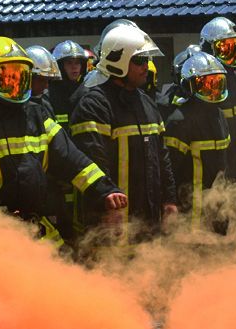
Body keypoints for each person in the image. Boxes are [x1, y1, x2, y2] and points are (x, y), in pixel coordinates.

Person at [0, 37, 125, 247]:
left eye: (21, 75)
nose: (16, 83)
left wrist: (105, 190)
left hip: (35, 224)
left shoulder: (35, 114)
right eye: (7, 77)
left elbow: (70, 157)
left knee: (66, 273)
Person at [69, 24, 178, 242]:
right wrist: (105, 201)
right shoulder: (94, 105)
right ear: (117, 61)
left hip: (147, 222)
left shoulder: (147, 103)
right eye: (139, 60)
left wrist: (169, 199)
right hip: (109, 224)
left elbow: (162, 158)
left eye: (146, 60)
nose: (145, 66)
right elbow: (92, 161)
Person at [163, 50, 233, 232]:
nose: (213, 89)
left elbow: (224, 166)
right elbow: (170, 170)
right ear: (190, 85)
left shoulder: (219, 116)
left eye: (217, 82)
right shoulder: (179, 120)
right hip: (189, 218)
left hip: (217, 213)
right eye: (206, 84)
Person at [200, 17, 236, 183]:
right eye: (227, 47)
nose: (234, 52)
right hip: (216, 160)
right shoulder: (206, 79)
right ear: (209, 48)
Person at [48, 40, 90, 128]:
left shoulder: (88, 92)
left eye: (77, 63)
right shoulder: (49, 94)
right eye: (69, 63)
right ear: (60, 67)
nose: (74, 67)